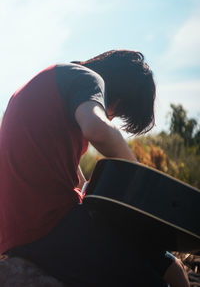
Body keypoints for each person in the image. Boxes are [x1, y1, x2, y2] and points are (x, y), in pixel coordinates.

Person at [0, 50, 189, 286]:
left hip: (17, 229)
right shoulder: (88, 79)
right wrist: (140, 182)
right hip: (48, 225)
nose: (111, 117)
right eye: (117, 114)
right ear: (118, 100)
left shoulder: (56, 81)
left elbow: (75, 178)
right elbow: (97, 129)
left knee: (164, 262)